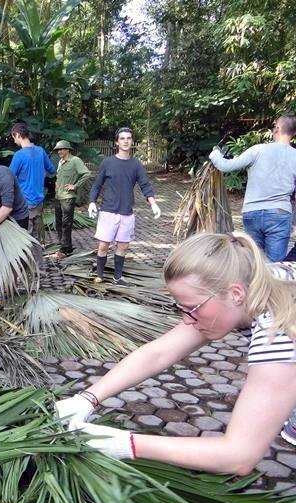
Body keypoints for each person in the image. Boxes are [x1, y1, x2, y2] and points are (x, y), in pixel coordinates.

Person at [56, 232, 296, 474]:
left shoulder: (277, 335)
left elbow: (238, 456)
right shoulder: (256, 278)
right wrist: (86, 399)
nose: (187, 320)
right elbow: (159, 353)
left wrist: (125, 444)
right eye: (182, 308)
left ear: (236, 294)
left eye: (193, 308)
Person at [209, 114, 296, 262]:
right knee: (275, 265)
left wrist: (215, 154)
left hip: (252, 213)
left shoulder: (258, 150)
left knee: (255, 262)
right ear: (294, 134)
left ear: (276, 129)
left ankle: (253, 285)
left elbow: (225, 166)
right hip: (280, 214)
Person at [88, 127, 161, 286]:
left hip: (127, 211)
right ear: (117, 142)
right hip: (108, 210)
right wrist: (92, 201)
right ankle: (99, 275)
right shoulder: (108, 162)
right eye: (122, 138)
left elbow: (145, 185)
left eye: (128, 138)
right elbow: (97, 185)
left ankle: (117, 278)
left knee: (123, 245)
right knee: (103, 245)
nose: (126, 141)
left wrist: (153, 204)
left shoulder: (136, 164)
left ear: (132, 141)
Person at [9, 122, 56, 241]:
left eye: (14, 137)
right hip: (39, 200)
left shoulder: (19, 155)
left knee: (25, 238)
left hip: (24, 203)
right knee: (36, 237)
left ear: (18, 135)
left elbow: (9, 177)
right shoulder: (41, 151)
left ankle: (28, 260)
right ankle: (37, 258)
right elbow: (51, 169)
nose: (14, 141)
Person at [49, 140, 90, 259]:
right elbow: (59, 176)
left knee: (66, 224)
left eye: (61, 149)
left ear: (68, 150)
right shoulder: (61, 162)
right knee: (59, 223)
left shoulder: (75, 161)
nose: (59, 152)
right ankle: (66, 245)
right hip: (58, 196)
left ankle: (65, 249)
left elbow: (86, 174)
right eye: (58, 150)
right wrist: (57, 184)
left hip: (68, 197)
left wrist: (75, 186)